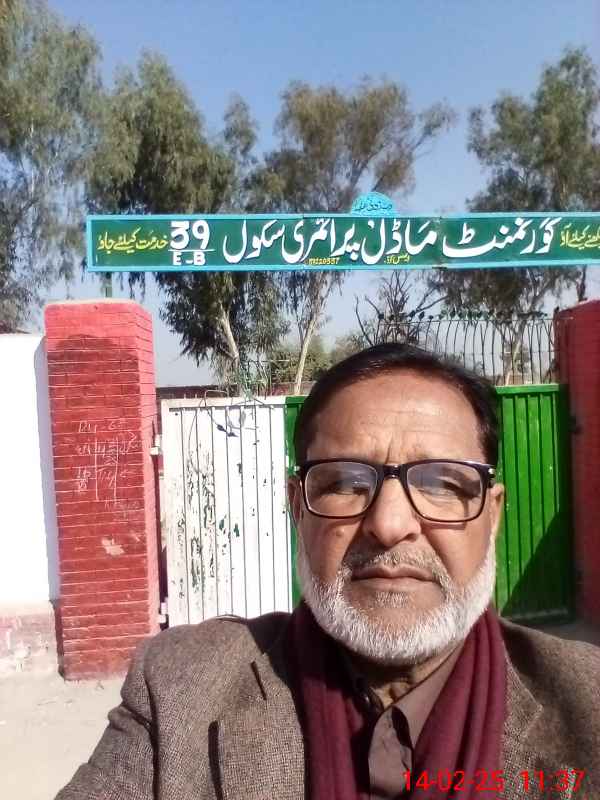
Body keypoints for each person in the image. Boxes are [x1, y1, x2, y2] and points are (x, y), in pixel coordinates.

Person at [56, 343, 600, 800]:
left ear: (492, 515)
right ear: (298, 507)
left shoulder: (588, 702)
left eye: (441, 484)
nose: (389, 525)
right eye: (344, 483)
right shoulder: (180, 690)